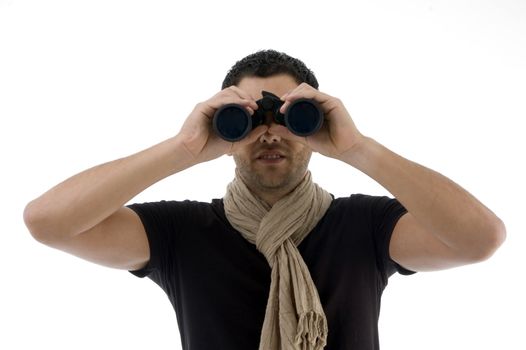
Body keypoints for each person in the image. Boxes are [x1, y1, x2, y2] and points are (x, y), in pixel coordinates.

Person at [23, 49, 506, 350]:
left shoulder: (366, 226)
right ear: (225, 126)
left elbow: (480, 239)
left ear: (314, 122)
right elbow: (48, 222)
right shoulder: (181, 234)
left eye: (292, 115)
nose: (270, 133)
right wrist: (182, 149)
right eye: (250, 118)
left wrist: (357, 148)